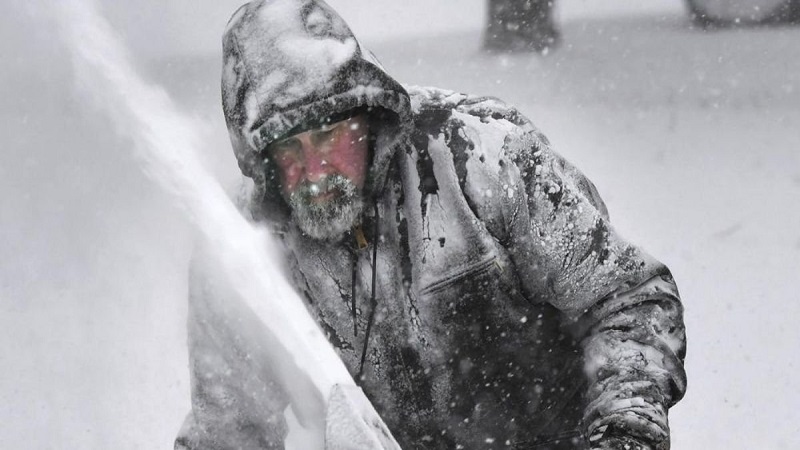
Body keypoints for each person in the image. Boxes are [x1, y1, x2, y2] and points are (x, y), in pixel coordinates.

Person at [176, 0, 687, 449]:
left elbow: (627, 301)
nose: (316, 173)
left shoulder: (481, 158)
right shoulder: (243, 250)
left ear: (366, 113)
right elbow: (229, 429)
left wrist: (626, 429)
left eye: (330, 137)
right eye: (290, 149)